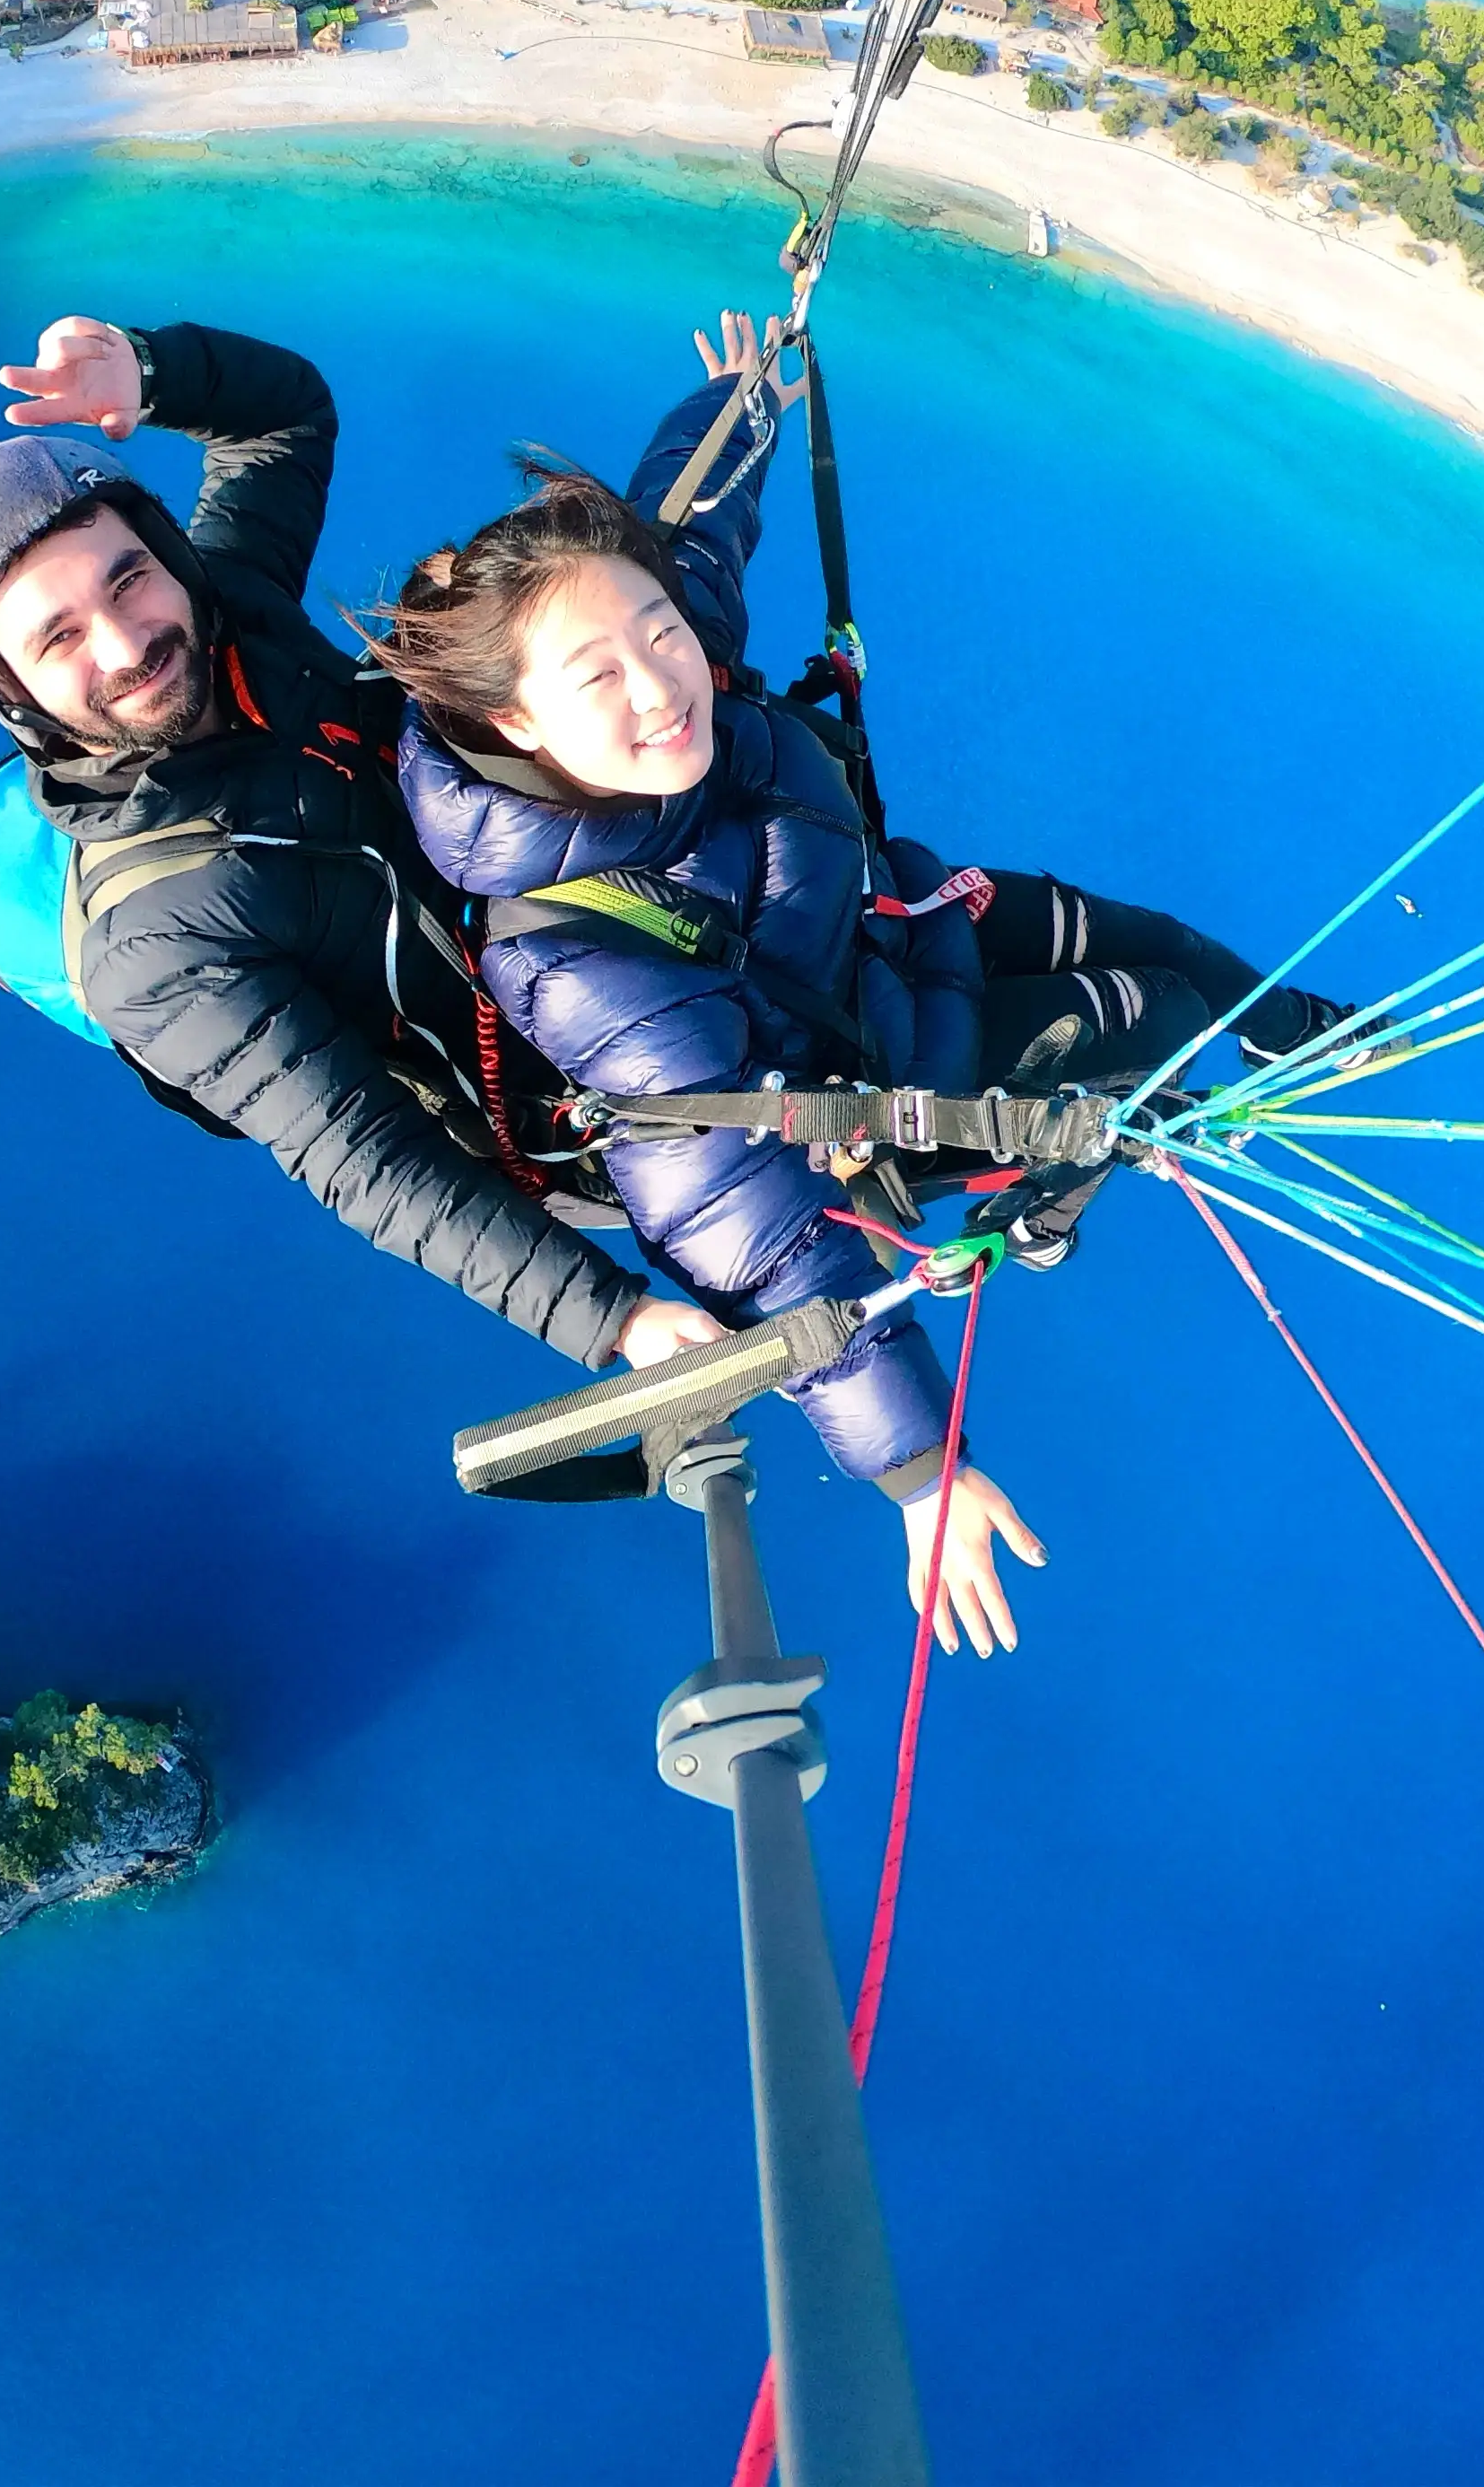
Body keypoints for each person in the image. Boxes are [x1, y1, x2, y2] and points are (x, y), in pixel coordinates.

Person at [379, 317, 1358, 1659]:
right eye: (597, 675)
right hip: (879, 1096)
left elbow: (704, 528)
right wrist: (915, 1468)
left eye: (656, 635)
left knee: (1168, 944)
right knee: (1159, 1023)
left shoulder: (682, 660)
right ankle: (1049, 1195)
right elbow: (745, 1223)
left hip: (902, 926)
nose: (661, 684)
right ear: (516, 727)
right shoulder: (573, 951)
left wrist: (742, 398)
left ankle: (1313, 1037)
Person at [0, 313, 738, 1376]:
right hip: (576, 1086)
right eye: (57, 639)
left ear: (164, 555)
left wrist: (151, 373)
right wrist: (609, 1317)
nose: (126, 643)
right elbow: (363, 1156)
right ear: (9, 690)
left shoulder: (231, 605)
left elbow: (285, 419)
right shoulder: (156, 950)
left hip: (593, 874)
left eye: (128, 580)